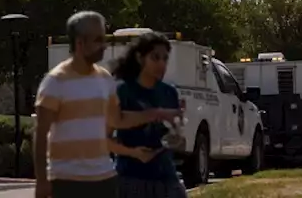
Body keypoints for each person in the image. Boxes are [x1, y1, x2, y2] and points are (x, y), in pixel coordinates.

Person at [34, 12, 182, 198]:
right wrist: (41, 180)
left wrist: (157, 114)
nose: (104, 46)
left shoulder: (104, 79)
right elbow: (40, 134)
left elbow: (118, 119)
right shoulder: (55, 82)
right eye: (98, 40)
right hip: (68, 180)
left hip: (104, 179)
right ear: (80, 43)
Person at [109, 31, 188, 198]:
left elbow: (176, 137)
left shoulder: (169, 92)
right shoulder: (122, 91)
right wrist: (133, 152)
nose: (161, 64)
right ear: (140, 58)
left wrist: (177, 138)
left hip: (166, 178)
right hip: (130, 178)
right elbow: (102, 140)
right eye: (155, 58)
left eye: (165, 59)